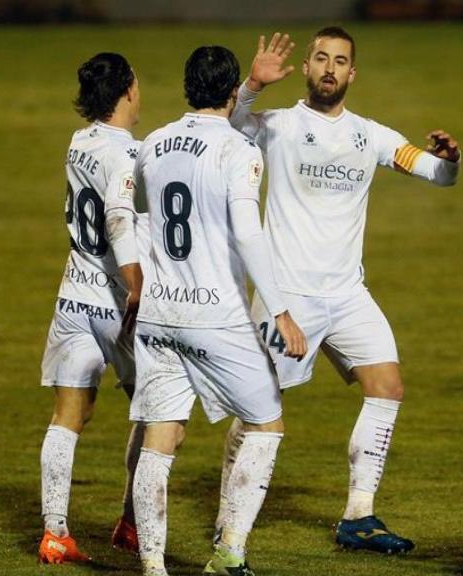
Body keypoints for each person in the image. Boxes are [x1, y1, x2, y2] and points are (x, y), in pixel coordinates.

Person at [222, 27, 461, 554]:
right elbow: (230, 123)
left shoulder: (370, 135)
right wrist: (252, 86)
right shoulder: (278, 126)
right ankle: (228, 518)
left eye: (341, 61)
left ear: (353, 74)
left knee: (389, 387)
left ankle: (359, 514)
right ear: (306, 68)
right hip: (288, 296)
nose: (330, 68)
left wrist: (450, 160)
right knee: (259, 409)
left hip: (348, 294)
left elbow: (436, 176)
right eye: (322, 59)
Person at [128, 45, 307, 576]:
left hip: (160, 315)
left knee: (162, 438)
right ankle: (229, 553)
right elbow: (249, 234)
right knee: (266, 423)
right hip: (216, 315)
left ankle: (154, 567)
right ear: (233, 92)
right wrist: (280, 311)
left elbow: (139, 221)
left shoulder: (153, 145)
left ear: (188, 88)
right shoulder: (238, 151)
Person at [38, 51, 146, 563]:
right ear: (127, 90)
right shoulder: (127, 155)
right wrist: (136, 285)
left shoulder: (79, 142)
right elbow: (119, 222)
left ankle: (55, 531)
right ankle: (131, 521)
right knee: (156, 413)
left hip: (71, 296)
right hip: (115, 304)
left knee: (68, 416)